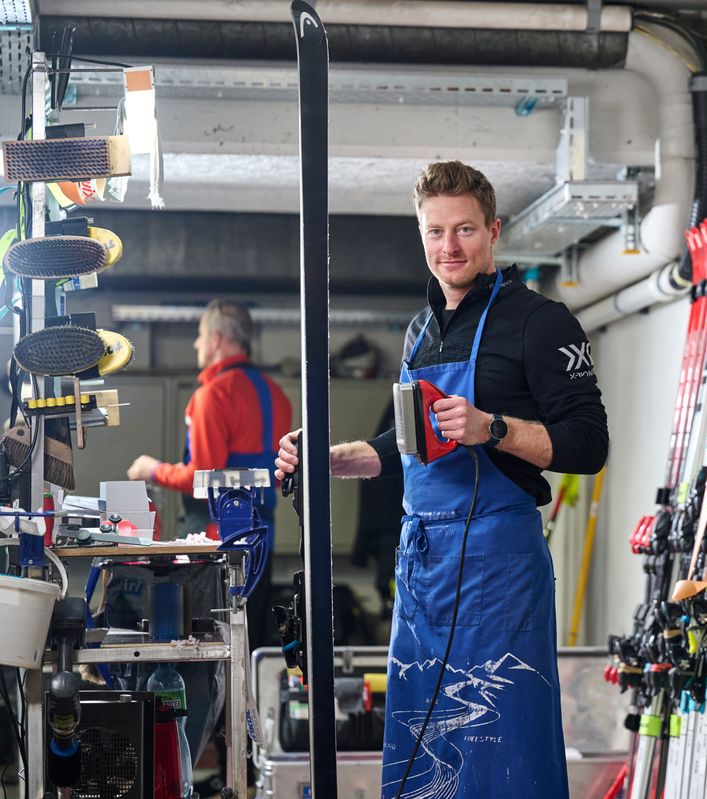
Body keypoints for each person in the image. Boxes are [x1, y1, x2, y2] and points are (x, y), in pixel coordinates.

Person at [275, 160, 607, 799]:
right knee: (423, 741)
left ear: (493, 232)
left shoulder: (541, 323)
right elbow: (406, 448)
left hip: (498, 567)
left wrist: (494, 429)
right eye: (435, 232)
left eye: (464, 231)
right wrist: (331, 458)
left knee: (497, 742)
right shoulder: (421, 330)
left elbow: (591, 445)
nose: (449, 248)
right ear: (420, 234)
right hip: (423, 565)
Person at [128, 299, 294, 649]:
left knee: (210, 647)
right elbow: (277, 475)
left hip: (215, 543)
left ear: (218, 339)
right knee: (248, 645)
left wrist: (152, 470)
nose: (196, 344)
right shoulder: (278, 396)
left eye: (200, 335)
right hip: (262, 543)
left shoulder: (212, 396)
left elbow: (202, 480)